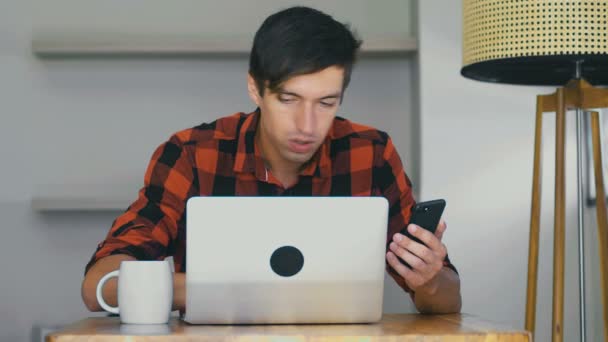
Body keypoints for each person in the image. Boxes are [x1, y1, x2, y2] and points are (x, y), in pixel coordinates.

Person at [81, 6, 461, 314]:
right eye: (289, 100)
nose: (307, 126)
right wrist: (210, 291)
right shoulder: (192, 154)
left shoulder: (371, 153)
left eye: (326, 103)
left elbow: (447, 302)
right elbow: (100, 286)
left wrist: (427, 278)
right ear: (255, 88)